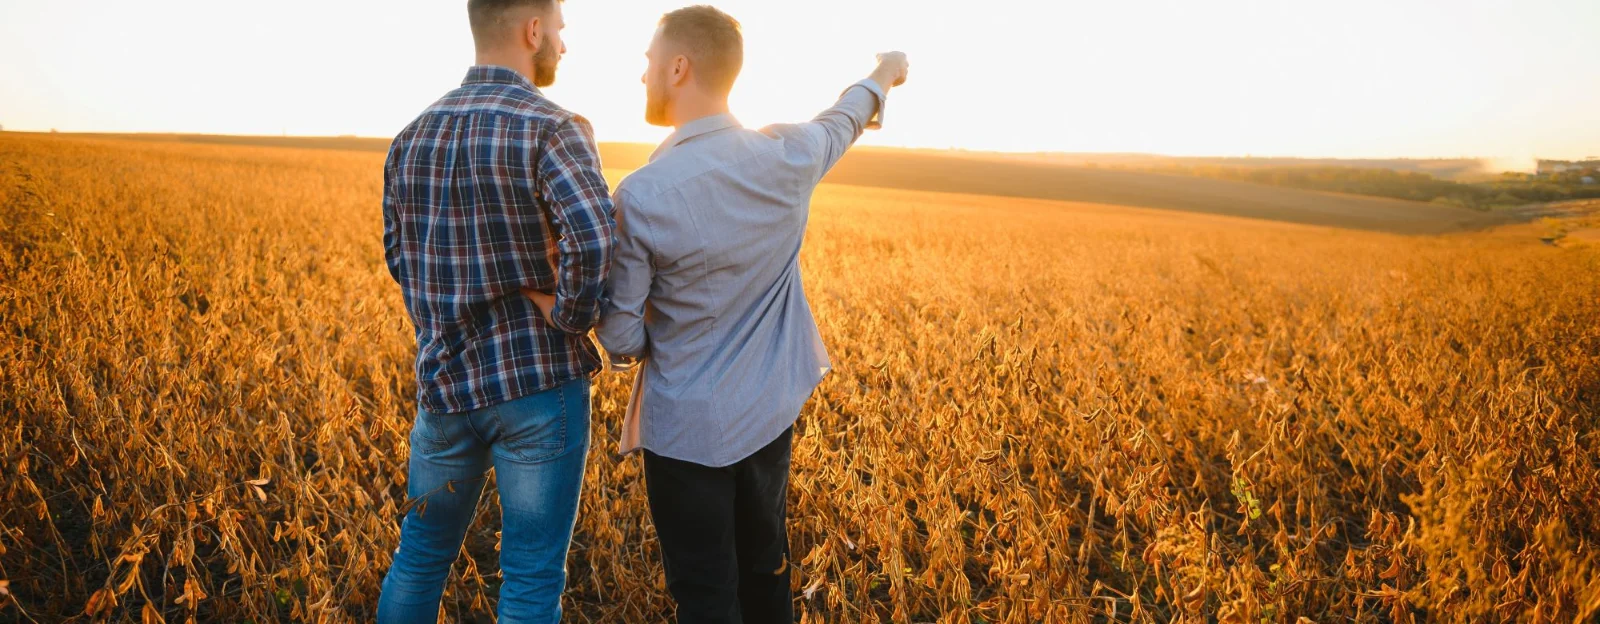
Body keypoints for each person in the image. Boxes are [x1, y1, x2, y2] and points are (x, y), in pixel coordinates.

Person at [533, 5, 907, 621]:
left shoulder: (644, 194)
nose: (644, 76)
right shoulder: (789, 154)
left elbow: (622, 338)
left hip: (688, 434)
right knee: (767, 568)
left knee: (706, 593)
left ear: (679, 67)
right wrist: (885, 72)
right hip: (771, 416)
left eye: (650, 63)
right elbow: (846, 116)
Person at [377, 0, 615, 621]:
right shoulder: (553, 128)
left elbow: (398, 254)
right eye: (559, 30)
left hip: (444, 384)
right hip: (537, 386)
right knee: (532, 573)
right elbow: (592, 240)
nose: (563, 45)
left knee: (421, 553)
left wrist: (444, 319)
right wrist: (568, 314)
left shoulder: (412, 135)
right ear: (532, 29)